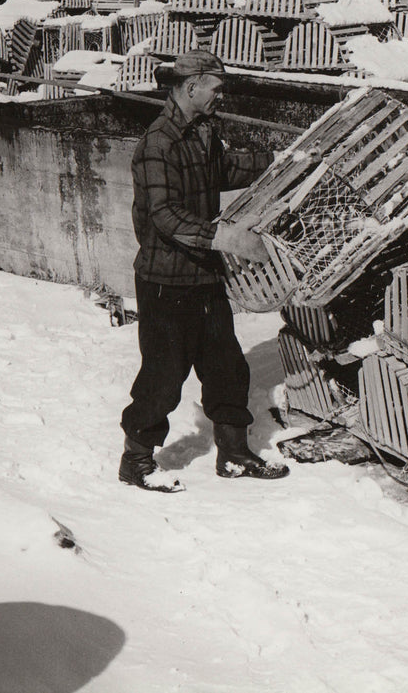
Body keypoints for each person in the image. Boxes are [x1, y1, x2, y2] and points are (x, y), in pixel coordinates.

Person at [120, 49, 291, 491]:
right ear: (192, 86)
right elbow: (164, 215)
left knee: (227, 369)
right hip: (165, 281)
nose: (221, 95)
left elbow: (224, 169)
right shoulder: (158, 143)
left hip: (203, 275)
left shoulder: (201, 132)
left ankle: (233, 453)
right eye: (216, 88)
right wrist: (226, 238)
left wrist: (279, 159)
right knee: (163, 377)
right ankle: (136, 460)